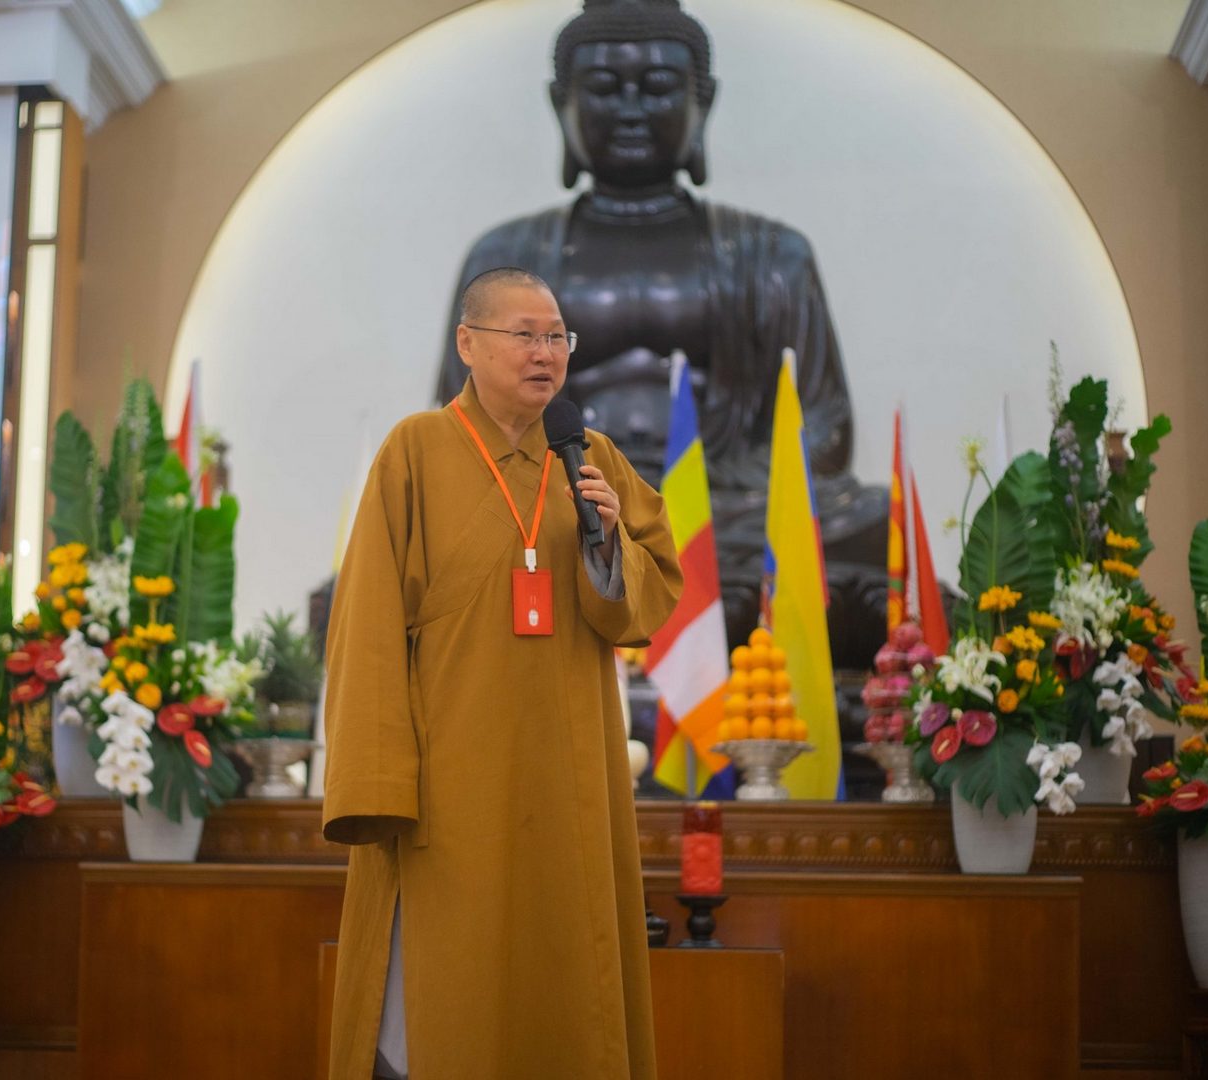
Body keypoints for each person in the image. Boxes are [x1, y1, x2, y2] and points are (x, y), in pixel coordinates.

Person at [434, 0, 890, 667]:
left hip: (721, 510)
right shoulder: (504, 258)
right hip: (558, 501)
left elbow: (825, 428)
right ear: (561, 104)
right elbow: (460, 420)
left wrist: (691, 491)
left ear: (703, 102)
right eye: (603, 87)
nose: (631, 110)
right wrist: (564, 487)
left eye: (657, 88)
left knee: (870, 521)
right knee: (457, 523)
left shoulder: (774, 254)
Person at [324, 268, 683, 1079]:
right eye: (524, 335)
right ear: (468, 343)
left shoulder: (591, 457)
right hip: (452, 789)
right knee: (449, 1001)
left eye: (557, 337)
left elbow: (651, 594)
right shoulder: (416, 450)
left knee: (566, 990)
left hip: (570, 785)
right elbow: (367, 627)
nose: (545, 353)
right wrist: (376, 783)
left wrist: (608, 542)